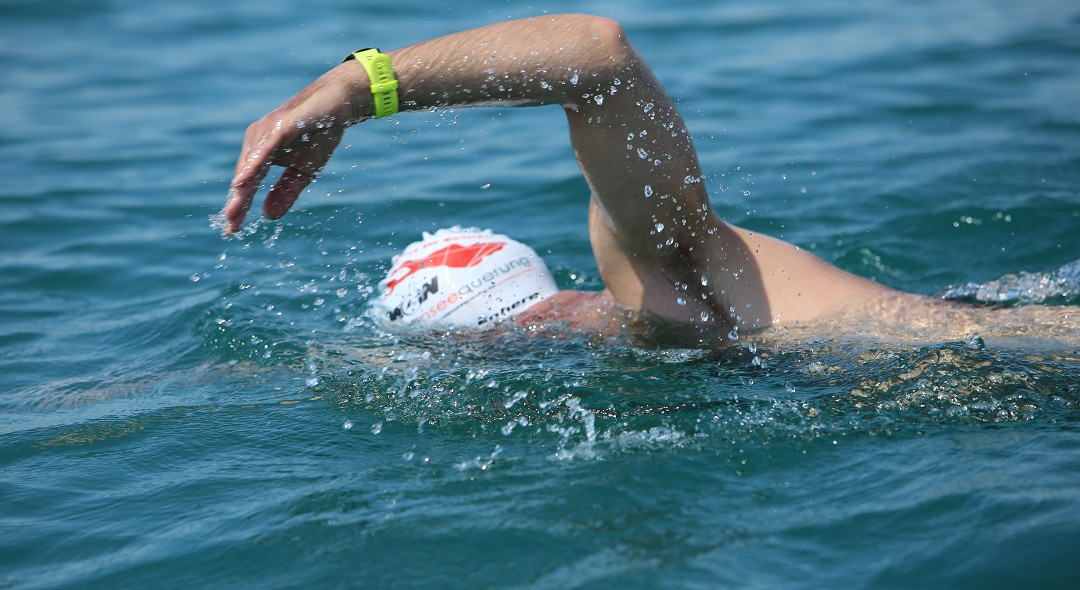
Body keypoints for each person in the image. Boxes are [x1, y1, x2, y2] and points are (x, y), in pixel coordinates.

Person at [222, 14, 1074, 347]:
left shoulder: (662, 282)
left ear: (489, 335)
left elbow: (595, 57)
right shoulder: (686, 301)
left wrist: (357, 87)